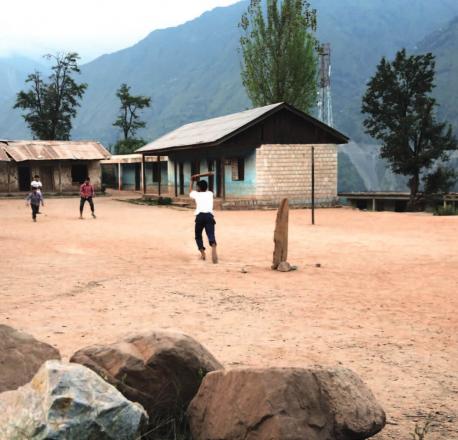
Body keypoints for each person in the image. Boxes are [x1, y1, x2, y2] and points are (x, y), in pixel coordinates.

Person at [189, 172, 218, 263]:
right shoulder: (210, 193)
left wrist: (192, 181)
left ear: (199, 188)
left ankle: (203, 253)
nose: (196, 188)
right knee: (210, 234)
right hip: (209, 216)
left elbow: (190, 191)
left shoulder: (196, 194)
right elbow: (211, 176)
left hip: (200, 217)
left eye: (197, 187)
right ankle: (213, 244)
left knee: (198, 235)